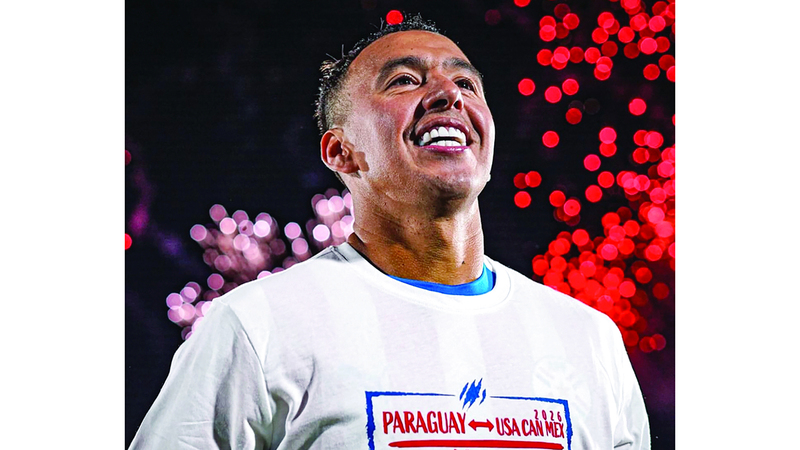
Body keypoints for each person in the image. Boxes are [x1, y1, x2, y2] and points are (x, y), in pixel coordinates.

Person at [129, 15, 650, 449]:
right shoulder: (255, 326)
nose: (448, 94)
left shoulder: (590, 339)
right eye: (404, 80)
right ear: (341, 152)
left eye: (466, 83)